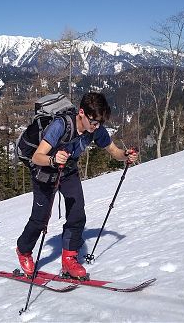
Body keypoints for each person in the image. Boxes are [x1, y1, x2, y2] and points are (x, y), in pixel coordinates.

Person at [16, 92, 138, 278]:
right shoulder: (61, 125)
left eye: (100, 123)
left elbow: (114, 151)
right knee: (40, 219)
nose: (96, 127)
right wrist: (52, 160)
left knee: (77, 214)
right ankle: (23, 251)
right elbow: (37, 157)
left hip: (68, 170)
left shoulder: (95, 129)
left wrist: (126, 155)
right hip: (45, 170)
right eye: (94, 122)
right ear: (81, 112)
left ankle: (69, 259)